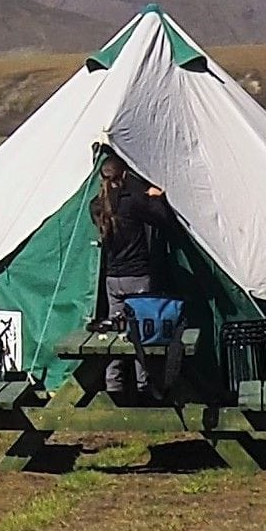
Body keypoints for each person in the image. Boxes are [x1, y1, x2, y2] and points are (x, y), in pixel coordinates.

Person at [91, 149, 171, 398]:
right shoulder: (132, 201)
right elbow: (162, 219)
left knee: (115, 332)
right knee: (140, 331)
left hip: (112, 278)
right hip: (137, 275)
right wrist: (155, 198)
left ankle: (113, 384)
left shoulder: (97, 206)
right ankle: (142, 384)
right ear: (124, 174)